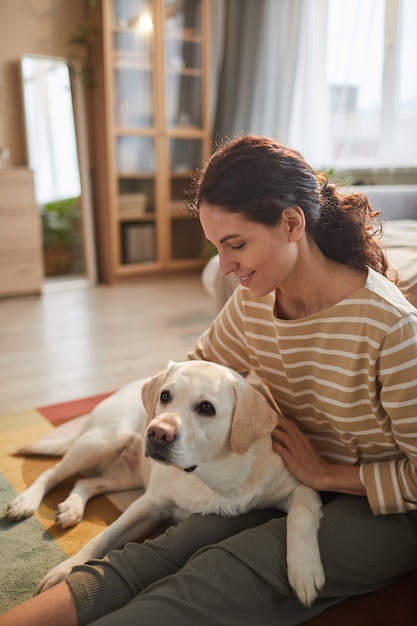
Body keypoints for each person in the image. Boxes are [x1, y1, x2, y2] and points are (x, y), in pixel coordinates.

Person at [1, 135, 417, 626]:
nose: (225, 266)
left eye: (236, 244)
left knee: (225, 574)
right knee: (167, 544)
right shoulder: (253, 301)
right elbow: (194, 372)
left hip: (386, 506)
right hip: (289, 475)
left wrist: (325, 476)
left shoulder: (394, 330)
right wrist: (153, 428)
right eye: (218, 247)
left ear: (291, 223)